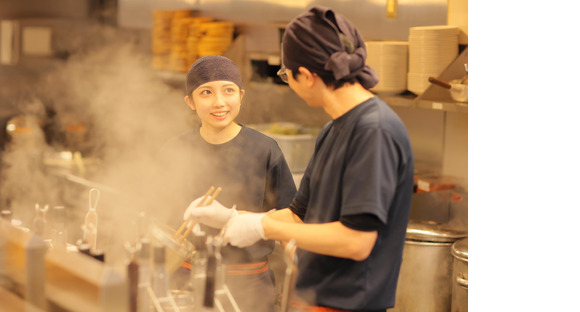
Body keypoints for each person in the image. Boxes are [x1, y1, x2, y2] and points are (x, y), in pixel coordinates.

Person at [184, 6, 415, 312]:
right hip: (310, 301)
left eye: (286, 75)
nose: (288, 83)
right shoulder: (333, 129)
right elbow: (297, 215)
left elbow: (356, 242)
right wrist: (236, 218)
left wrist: (264, 229)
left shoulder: (375, 131)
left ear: (305, 76)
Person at [157, 55, 297, 312]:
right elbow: (160, 224)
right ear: (190, 101)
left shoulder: (265, 149)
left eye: (228, 90)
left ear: (241, 96)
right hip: (184, 284)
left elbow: (291, 221)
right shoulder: (174, 150)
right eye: (206, 92)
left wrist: (298, 288)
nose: (219, 102)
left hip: (250, 287)